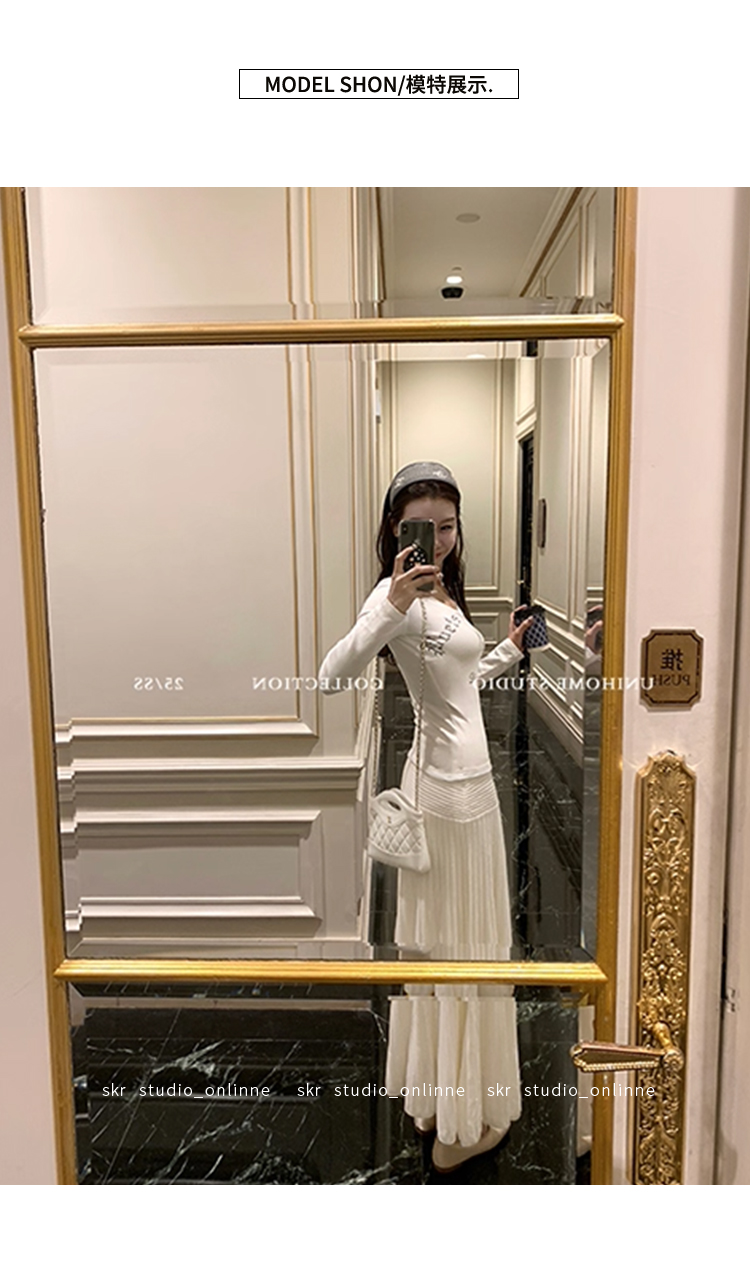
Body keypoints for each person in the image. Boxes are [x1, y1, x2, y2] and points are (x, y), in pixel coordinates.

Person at [318, 461, 534, 1174]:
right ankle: (456, 1113)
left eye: (447, 526)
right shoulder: (396, 595)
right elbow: (331, 677)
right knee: (450, 945)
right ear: (395, 528)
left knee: (473, 943)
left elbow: (460, 684)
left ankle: (453, 1099)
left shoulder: (444, 591)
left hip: (476, 791)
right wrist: (390, 605)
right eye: (422, 526)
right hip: (441, 795)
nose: (436, 539)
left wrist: (508, 649)